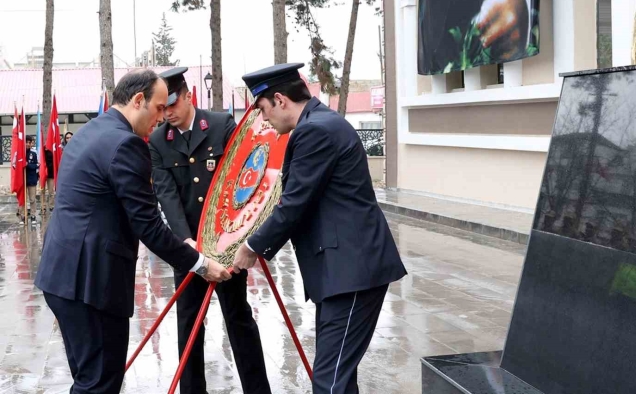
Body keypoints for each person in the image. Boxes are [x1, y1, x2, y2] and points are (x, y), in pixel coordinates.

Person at [35, 70, 232, 394]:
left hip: (61, 276)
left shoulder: (90, 132)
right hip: (91, 281)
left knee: (88, 379)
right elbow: (148, 225)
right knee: (99, 383)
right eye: (157, 107)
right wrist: (199, 263)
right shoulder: (126, 144)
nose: (161, 117)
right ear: (138, 100)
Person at [233, 63, 407, 394]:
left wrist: (251, 248)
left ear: (281, 100)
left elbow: (293, 204)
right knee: (337, 376)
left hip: (353, 272)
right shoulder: (319, 124)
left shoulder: (316, 131)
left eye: (263, 109)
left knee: (329, 382)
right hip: (341, 271)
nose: (264, 119)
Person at [148, 67, 272, 394]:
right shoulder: (159, 141)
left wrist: (243, 237)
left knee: (239, 319)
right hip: (187, 249)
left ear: (188, 95)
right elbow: (167, 194)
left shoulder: (219, 125)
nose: (168, 113)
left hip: (226, 244)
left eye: (173, 104)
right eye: (162, 108)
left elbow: (244, 177)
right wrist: (187, 245)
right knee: (189, 325)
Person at [18, 136, 39, 223]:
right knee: (23, 199)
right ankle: (23, 216)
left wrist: (27, 165)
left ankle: (33, 215)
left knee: (32, 199)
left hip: (31, 179)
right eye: (26, 142)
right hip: (22, 180)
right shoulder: (20, 154)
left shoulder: (33, 154)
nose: (28, 144)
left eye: (29, 142)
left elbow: (37, 165)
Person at [43, 147, 54, 212]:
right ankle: (43, 206)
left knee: (51, 191)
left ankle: (51, 205)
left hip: (50, 174)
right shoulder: (40, 151)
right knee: (42, 191)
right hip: (42, 174)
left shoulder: (52, 151)